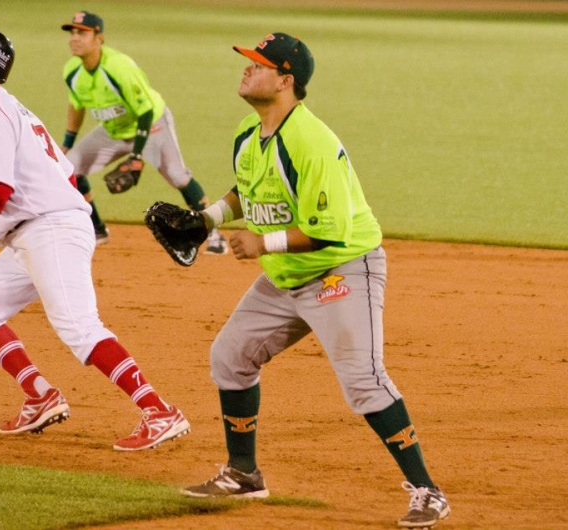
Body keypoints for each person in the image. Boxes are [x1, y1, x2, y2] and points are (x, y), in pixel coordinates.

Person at [179, 33, 451, 528]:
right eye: (247, 62)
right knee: (230, 356)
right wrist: (209, 219)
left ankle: (428, 491)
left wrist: (263, 244)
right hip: (286, 278)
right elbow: (249, 188)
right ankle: (243, 473)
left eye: (258, 65)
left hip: (340, 269)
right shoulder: (249, 130)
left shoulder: (312, 141)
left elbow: (332, 231)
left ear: (286, 80)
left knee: (364, 382)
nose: (246, 70)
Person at [0, 25, 190, 451]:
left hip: (49, 228)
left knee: (78, 326)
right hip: (36, 231)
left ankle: (160, 411)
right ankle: (40, 396)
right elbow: (69, 173)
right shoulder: (7, 108)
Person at [59, 11, 228, 255]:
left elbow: (146, 110)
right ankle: (96, 230)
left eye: (82, 32)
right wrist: (68, 143)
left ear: (99, 37)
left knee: (177, 175)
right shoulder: (73, 71)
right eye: (72, 32)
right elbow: (76, 105)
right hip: (113, 131)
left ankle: (214, 234)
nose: (74, 38)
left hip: (152, 124)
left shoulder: (119, 67)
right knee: (70, 168)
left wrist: (137, 156)